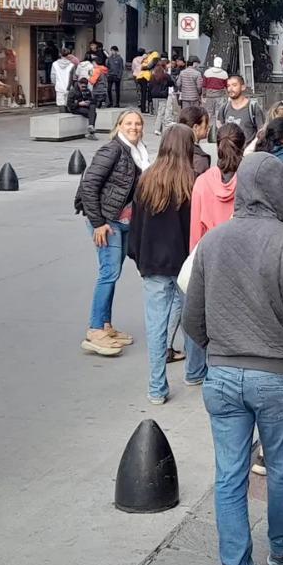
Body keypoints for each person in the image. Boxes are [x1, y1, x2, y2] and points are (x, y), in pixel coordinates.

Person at [184, 152, 283, 565]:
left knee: (229, 476)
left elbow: (191, 318)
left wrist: (218, 349)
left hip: (222, 375)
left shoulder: (213, 242)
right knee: (281, 467)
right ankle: (282, 545)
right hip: (277, 377)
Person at [128, 124, 207, 404]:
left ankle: (157, 387)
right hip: (185, 263)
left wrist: (138, 257)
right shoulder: (192, 181)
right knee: (192, 320)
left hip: (153, 263)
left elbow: (136, 224)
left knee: (156, 325)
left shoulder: (147, 179)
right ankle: (194, 371)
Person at [78, 109, 148, 357]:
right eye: (128, 123)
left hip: (123, 220)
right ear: (119, 126)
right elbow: (89, 184)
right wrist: (98, 223)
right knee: (108, 272)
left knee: (113, 272)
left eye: (138, 123)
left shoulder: (138, 152)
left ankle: (105, 325)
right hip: (108, 221)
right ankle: (95, 329)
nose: (134, 127)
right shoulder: (113, 150)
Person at [192, 124, 245, 248]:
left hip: (210, 252)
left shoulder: (202, 182)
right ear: (243, 146)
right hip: (242, 252)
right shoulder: (251, 180)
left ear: (217, 147)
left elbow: (195, 233)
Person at [217, 74, 264, 140]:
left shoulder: (253, 108)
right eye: (228, 86)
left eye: (234, 85)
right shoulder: (224, 108)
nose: (230, 89)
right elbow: (220, 132)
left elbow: (261, 133)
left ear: (243, 87)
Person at [178, 105, 213, 176]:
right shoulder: (199, 160)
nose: (208, 127)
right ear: (196, 127)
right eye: (206, 123)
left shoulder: (172, 148)